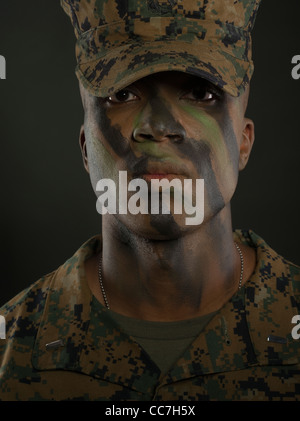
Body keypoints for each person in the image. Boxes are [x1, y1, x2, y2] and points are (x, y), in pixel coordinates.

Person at [0, 0, 299, 401]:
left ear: (243, 142)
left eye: (200, 93)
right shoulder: (12, 347)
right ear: (87, 147)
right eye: (122, 93)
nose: (159, 127)